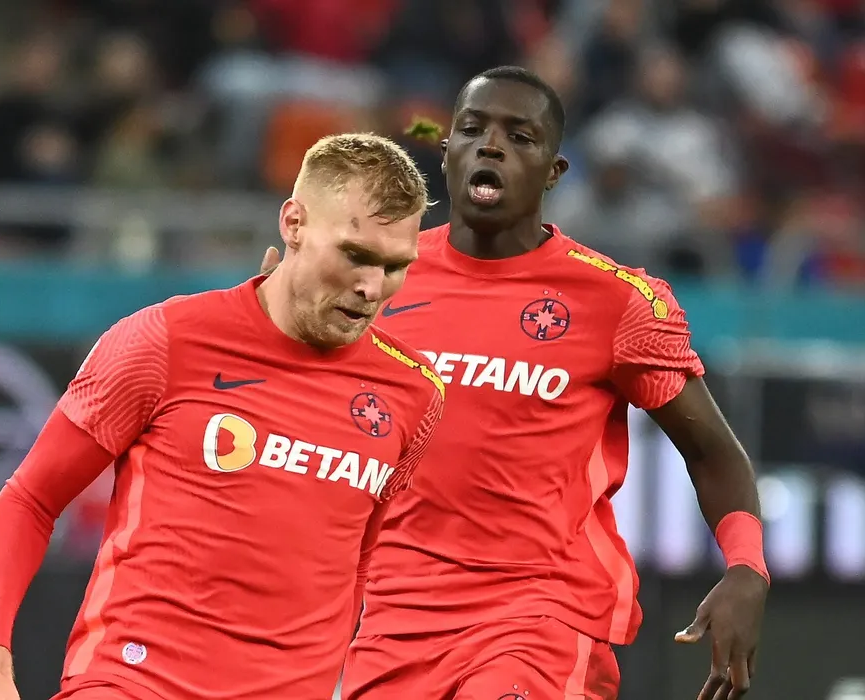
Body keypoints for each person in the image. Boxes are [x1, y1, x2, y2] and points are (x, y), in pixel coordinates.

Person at [261, 67, 770, 700]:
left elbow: (711, 451)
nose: (491, 146)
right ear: (446, 152)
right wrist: (274, 329)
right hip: (392, 621)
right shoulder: (375, 282)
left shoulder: (616, 301)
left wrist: (747, 567)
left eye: (520, 137)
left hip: (539, 617)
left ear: (554, 172)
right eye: (471, 129)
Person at [0, 133, 446, 700]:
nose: (372, 287)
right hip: (132, 683)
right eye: (355, 255)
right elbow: (31, 499)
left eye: (395, 266)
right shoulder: (164, 341)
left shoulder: (415, 393)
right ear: (294, 224)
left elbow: (358, 561)